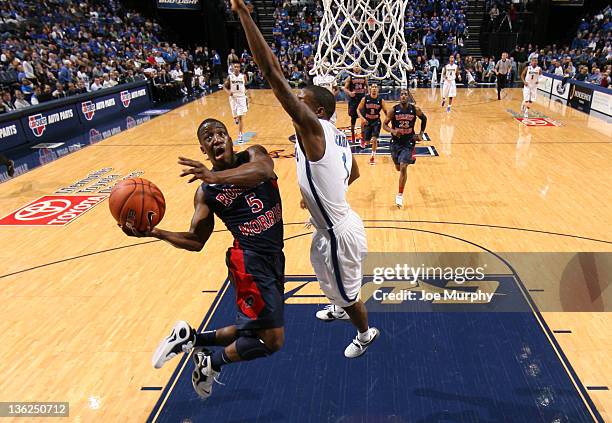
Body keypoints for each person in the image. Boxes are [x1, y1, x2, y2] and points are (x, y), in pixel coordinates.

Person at [232, 0, 379, 359]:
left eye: (301, 101)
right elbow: (352, 172)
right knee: (322, 271)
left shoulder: (312, 128)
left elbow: (271, 72)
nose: (294, 104)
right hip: (328, 223)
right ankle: (337, 302)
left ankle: (364, 332)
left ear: (317, 112)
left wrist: (244, 14)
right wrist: (320, 193)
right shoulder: (332, 134)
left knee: (350, 295)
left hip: (340, 231)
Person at [125, 118, 285, 400]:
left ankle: (191, 339)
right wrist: (155, 232)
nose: (216, 139)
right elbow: (196, 240)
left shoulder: (254, 155)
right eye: (208, 137)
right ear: (203, 149)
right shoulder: (206, 192)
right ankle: (210, 363)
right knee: (271, 341)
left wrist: (216, 177)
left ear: (230, 138)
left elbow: (263, 171)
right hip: (248, 262)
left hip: (274, 256)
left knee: (256, 328)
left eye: (220, 133)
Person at [383, 89, 427, 208]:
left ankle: (400, 195)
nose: (403, 96)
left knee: (403, 167)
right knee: (398, 167)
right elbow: (384, 125)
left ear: (409, 97)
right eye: (401, 94)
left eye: (405, 94)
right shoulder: (393, 110)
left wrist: (421, 133)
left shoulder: (414, 109)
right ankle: (401, 164)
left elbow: (424, 119)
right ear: (399, 96)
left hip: (408, 142)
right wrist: (393, 131)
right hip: (395, 142)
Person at [357, 82, 388, 165]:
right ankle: (364, 138)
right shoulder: (365, 99)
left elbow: (386, 112)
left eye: (375, 87)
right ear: (370, 89)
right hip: (367, 121)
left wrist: (388, 121)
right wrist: (362, 118)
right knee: (367, 142)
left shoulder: (381, 100)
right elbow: (358, 110)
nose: (374, 88)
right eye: (372, 87)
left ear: (378, 89)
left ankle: (372, 156)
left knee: (374, 139)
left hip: (376, 121)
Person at [224, 63, 249, 143]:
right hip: (233, 98)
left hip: (241, 97)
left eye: (238, 67)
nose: (236, 68)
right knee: (235, 115)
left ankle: (240, 135)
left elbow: (246, 84)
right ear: (233, 68)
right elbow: (224, 86)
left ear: (240, 68)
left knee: (241, 117)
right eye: (235, 67)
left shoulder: (243, 76)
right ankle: (235, 118)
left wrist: (247, 94)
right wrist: (228, 92)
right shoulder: (230, 77)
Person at [343, 65, 368, 146]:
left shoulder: (364, 77)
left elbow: (367, 87)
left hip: (361, 100)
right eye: (355, 66)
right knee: (353, 119)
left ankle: (362, 138)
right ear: (353, 68)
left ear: (360, 68)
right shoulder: (350, 77)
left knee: (363, 119)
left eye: (358, 66)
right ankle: (353, 135)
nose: (357, 68)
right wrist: (350, 93)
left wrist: (367, 94)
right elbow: (344, 88)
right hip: (353, 100)